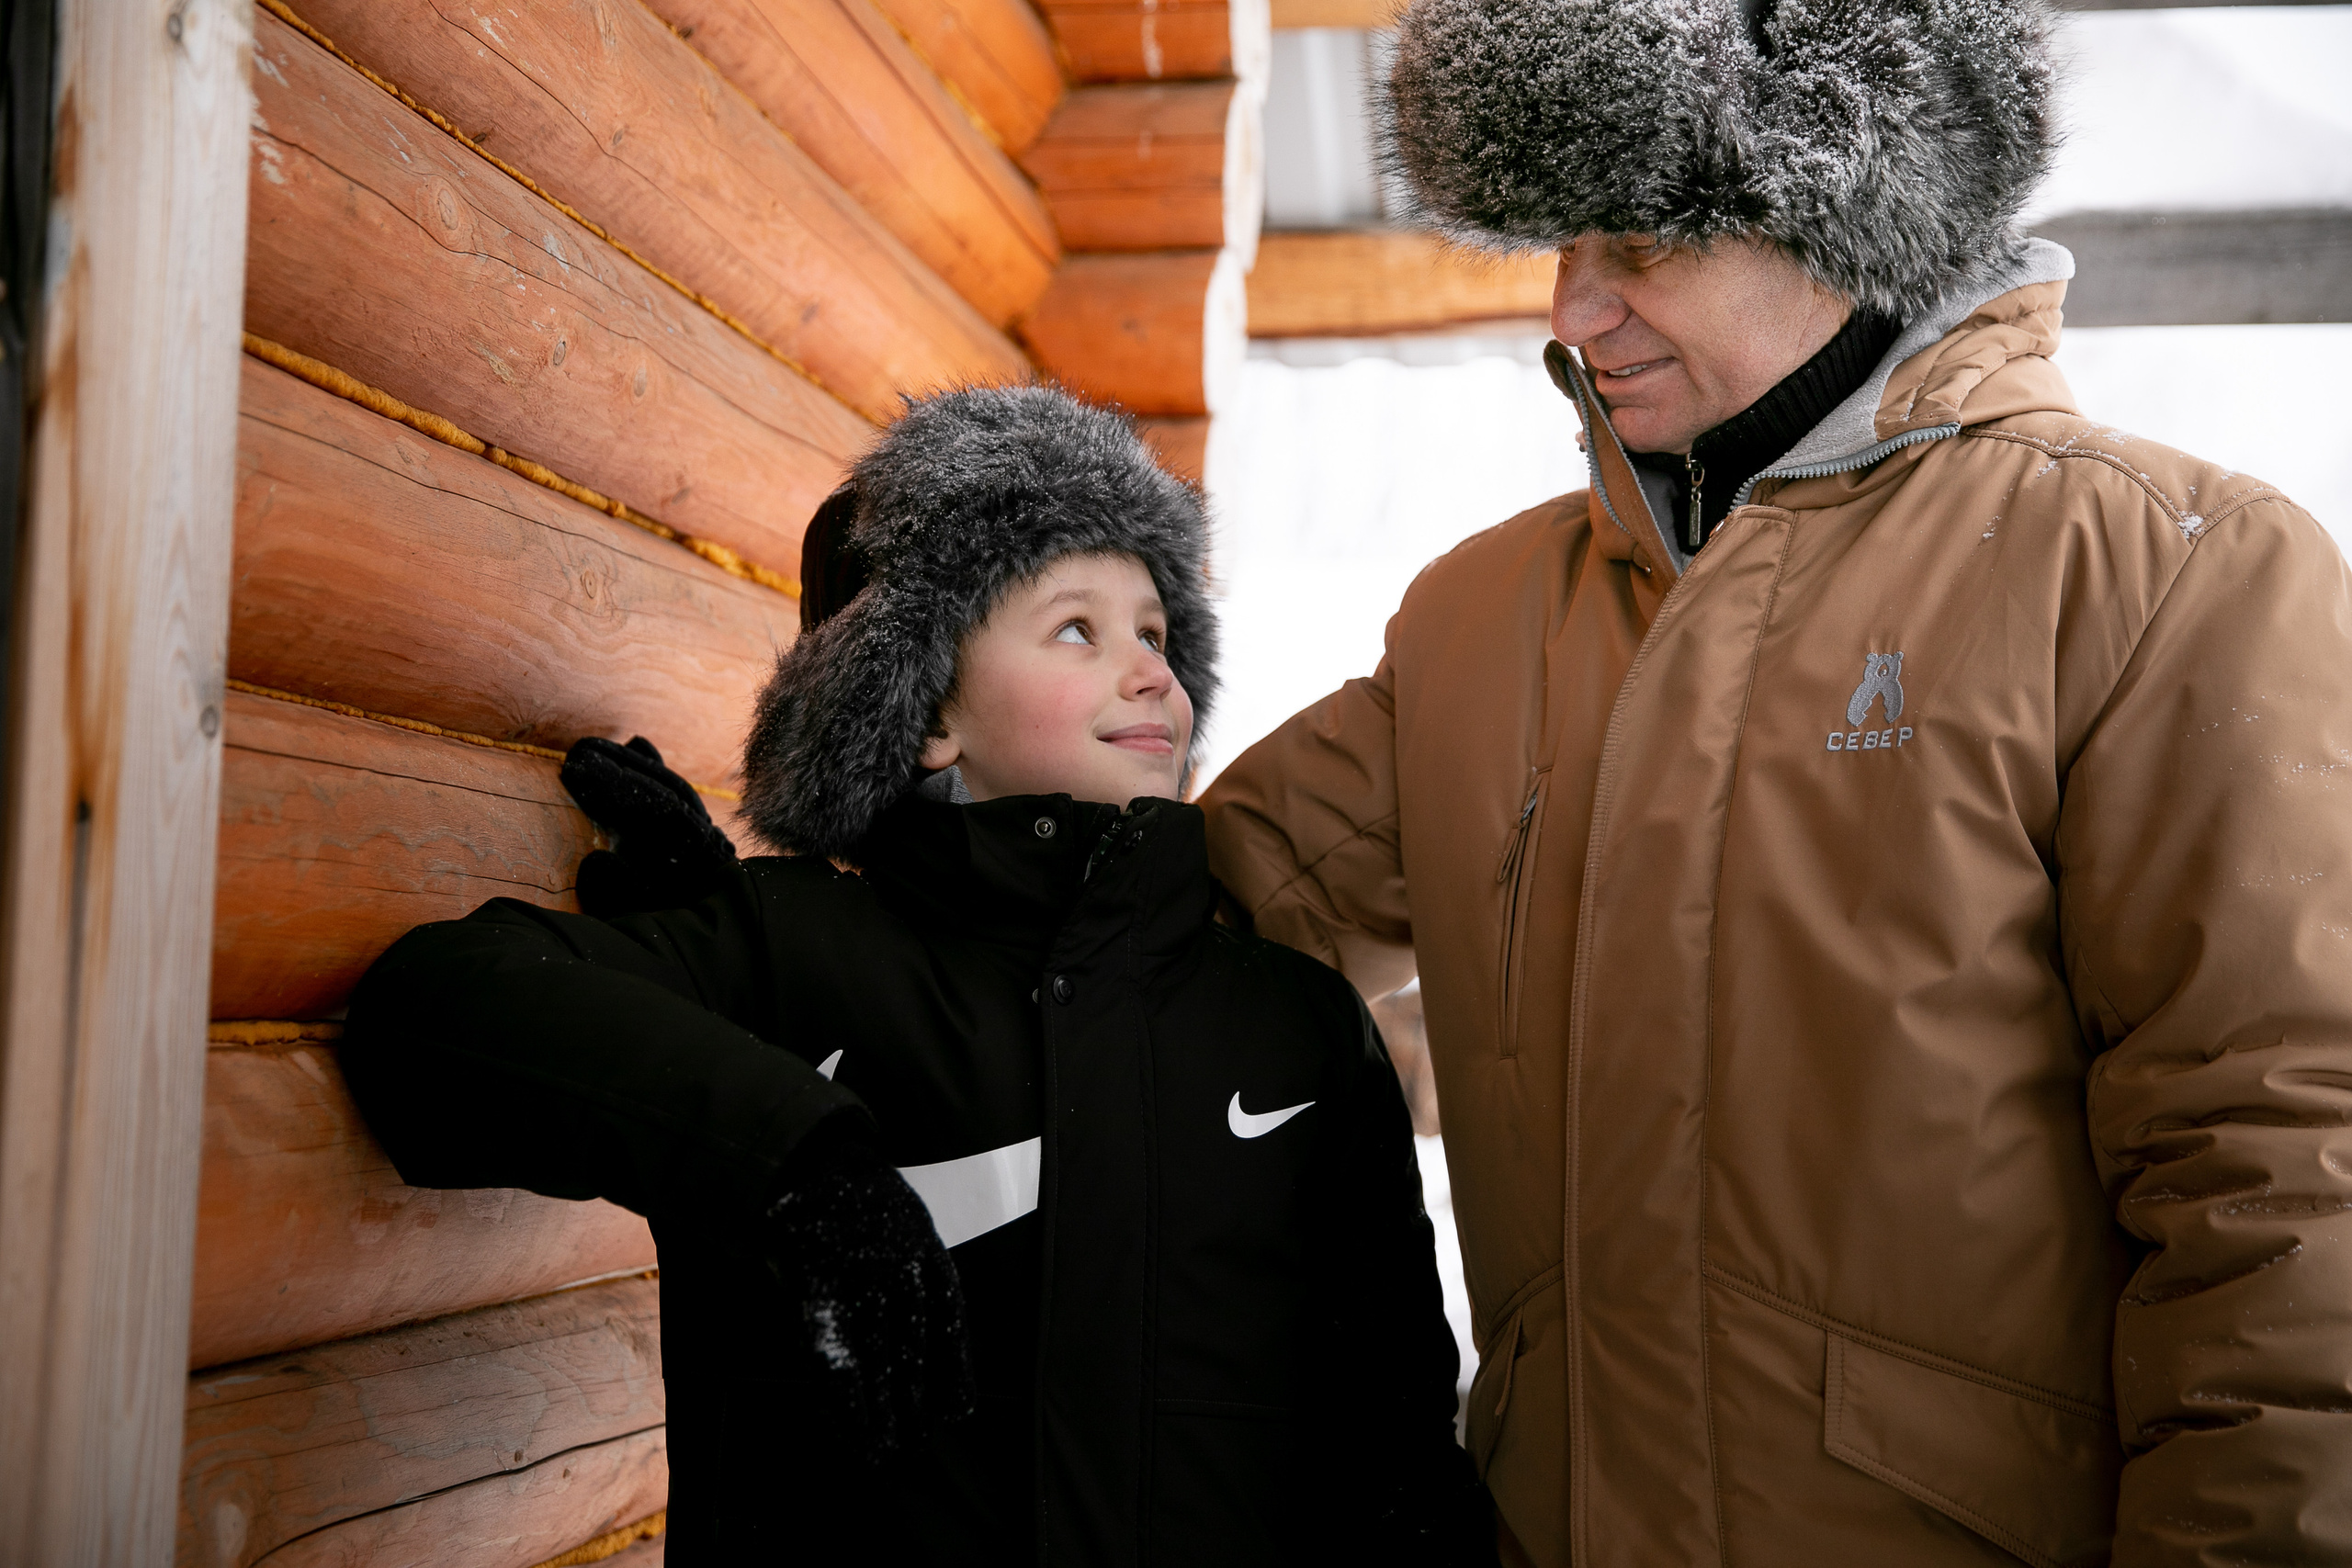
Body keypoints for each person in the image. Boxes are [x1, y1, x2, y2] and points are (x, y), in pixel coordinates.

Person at [1199, 0, 2352, 1562]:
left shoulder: (2157, 571)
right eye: (1559, 242)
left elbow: (2283, 1188)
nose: (1574, 309)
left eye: (1640, 244)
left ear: (1843, 204)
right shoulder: (1481, 622)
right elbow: (1179, 924)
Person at [339, 387, 1491, 1564]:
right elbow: (430, 1015)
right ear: (926, 709)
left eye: (1155, 631)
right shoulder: (786, 956)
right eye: (1077, 631)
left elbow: (1396, 1431)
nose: (1149, 672)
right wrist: (801, 1171)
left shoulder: (1293, 1024)